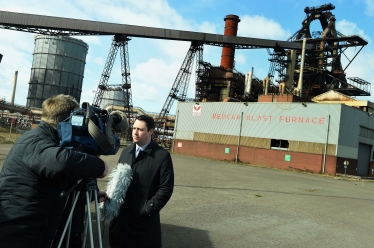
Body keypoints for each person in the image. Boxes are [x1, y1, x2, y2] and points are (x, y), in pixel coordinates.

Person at [0, 94, 109, 248]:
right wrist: (98, 165)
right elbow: (61, 163)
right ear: (68, 121)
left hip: (30, 228)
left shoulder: (41, 139)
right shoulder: (37, 142)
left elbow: (55, 182)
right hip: (20, 232)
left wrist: (91, 194)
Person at [109, 115, 174, 248]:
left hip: (142, 222)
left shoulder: (162, 156)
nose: (135, 132)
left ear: (150, 131)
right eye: (134, 128)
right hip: (120, 220)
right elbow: (117, 178)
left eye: (140, 129)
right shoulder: (126, 151)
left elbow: (166, 187)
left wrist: (147, 209)